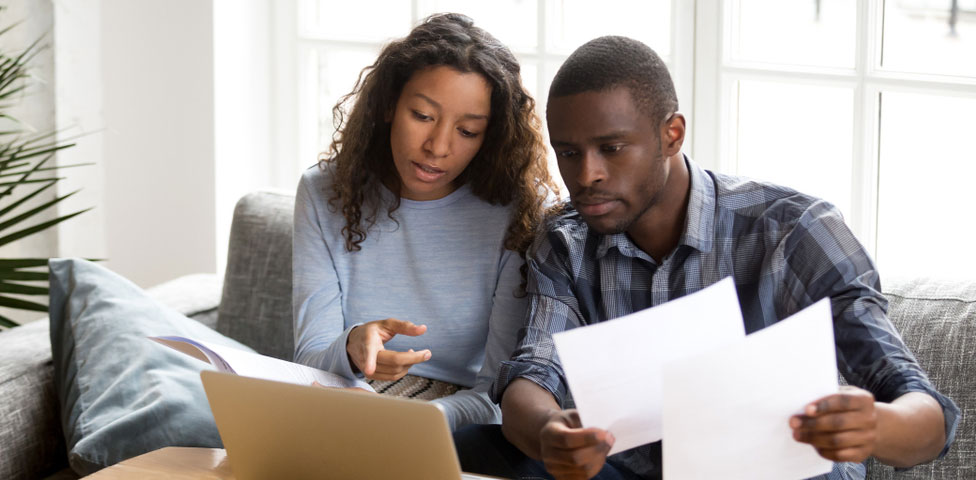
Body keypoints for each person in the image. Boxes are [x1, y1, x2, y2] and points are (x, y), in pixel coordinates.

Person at [455, 36, 959, 479]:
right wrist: (550, 434)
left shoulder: (793, 232)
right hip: (626, 470)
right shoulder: (566, 240)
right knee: (470, 452)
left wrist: (876, 426)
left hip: (774, 475)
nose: (587, 175)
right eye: (568, 152)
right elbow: (532, 376)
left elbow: (926, 414)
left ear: (672, 134)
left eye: (611, 148)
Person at [291, 13, 555, 431]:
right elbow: (309, 363)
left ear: (491, 137)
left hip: (461, 421)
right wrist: (352, 346)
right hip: (346, 403)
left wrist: (419, 422)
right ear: (388, 106)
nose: (438, 147)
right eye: (422, 115)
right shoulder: (324, 192)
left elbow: (500, 393)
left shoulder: (518, 211)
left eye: (468, 131)